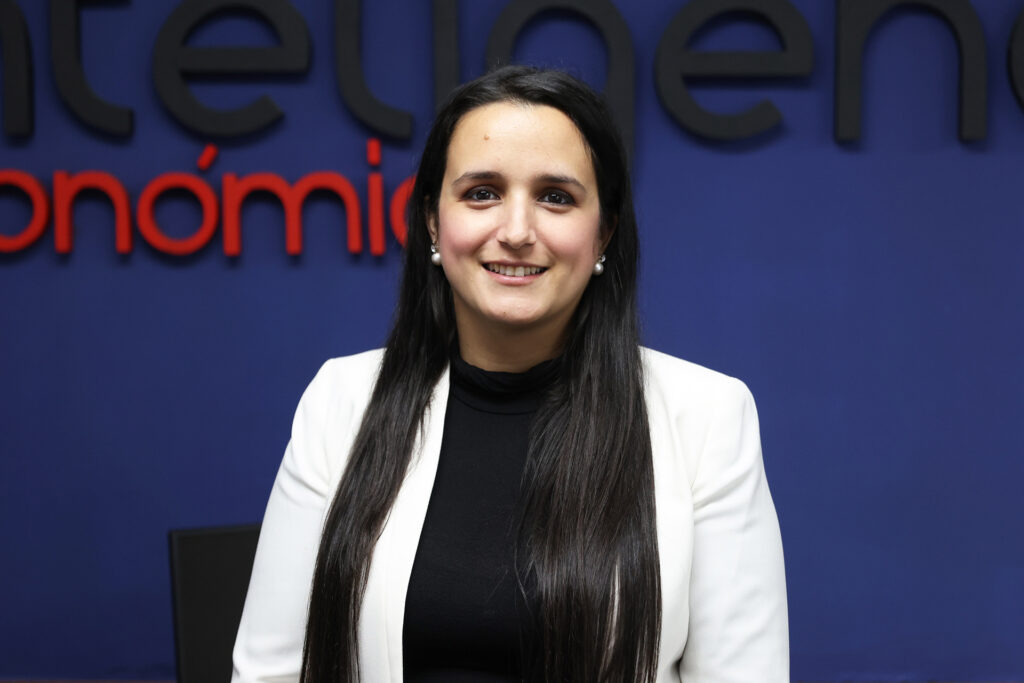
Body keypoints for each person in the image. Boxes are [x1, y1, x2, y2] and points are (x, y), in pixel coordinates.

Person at [232, 65, 788, 683]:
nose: (517, 231)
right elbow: (271, 672)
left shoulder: (707, 416)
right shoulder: (342, 401)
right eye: (482, 193)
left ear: (602, 233)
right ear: (431, 224)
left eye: (556, 196)